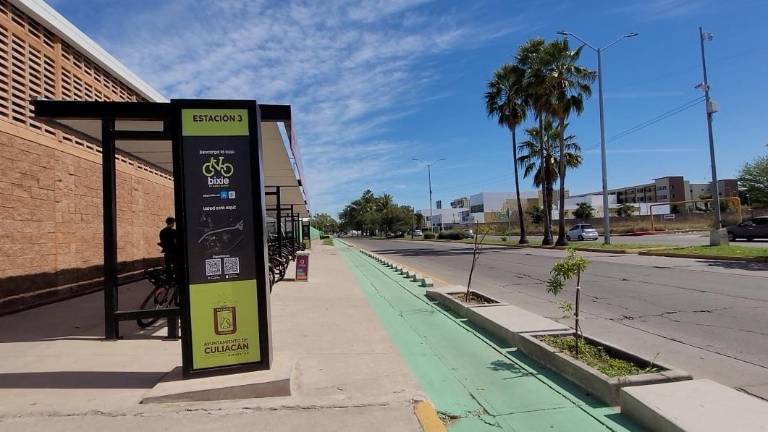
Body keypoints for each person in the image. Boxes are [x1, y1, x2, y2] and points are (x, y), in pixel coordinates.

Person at [159, 217, 177, 283]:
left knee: (168, 266)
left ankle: (169, 280)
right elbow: (175, 242)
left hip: (166, 251)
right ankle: (175, 280)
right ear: (172, 223)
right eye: (173, 223)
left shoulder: (162, 231)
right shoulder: (173, 231)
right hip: (173, 252)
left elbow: (161, 241)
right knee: (175, 266)